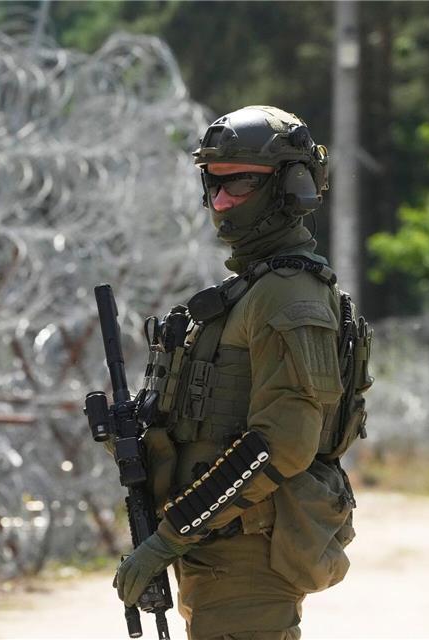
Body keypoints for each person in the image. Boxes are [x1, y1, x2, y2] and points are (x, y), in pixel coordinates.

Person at [113, 105, 372, 640]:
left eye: (242, 184)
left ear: (292, 188)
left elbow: (282, 444)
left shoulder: (286, 295)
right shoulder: (250, 291)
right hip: (218, 548)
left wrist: (169, 535)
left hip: (248, 554)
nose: (222, 201)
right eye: (214, 184)